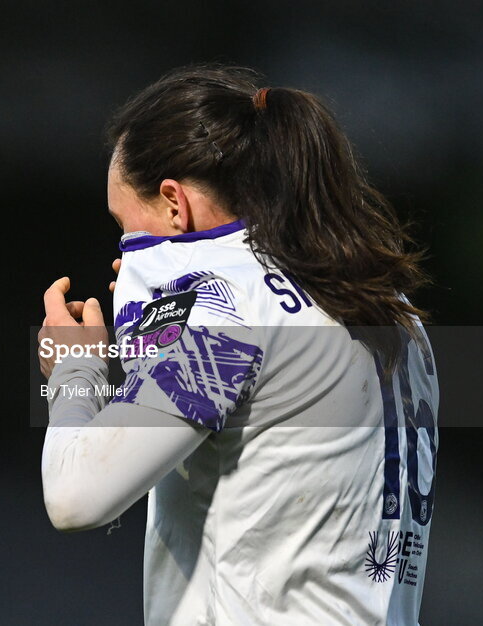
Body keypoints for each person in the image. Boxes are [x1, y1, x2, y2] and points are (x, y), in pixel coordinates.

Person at [37, 64, 437, 625]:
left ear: (174, 204)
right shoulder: (387, 308)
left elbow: (76, 497)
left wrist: (73, 369)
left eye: (124, 223)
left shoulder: (226, 317)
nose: (124, 249)